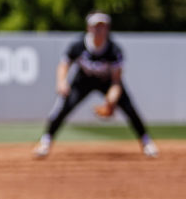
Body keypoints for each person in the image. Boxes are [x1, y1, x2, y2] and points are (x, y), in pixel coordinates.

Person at [34, 11, 158, 159]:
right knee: (63, 107)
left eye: (103, 26)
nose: (99, 30)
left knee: (129, 108)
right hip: (83, 81)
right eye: (96, 26)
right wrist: (61, 82)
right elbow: (64, 64)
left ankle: (146, 141)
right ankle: (46, 141)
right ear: (89, 28)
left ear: (108, 28)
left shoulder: (114, 50)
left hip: (107, 82)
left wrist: (110, 102)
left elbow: (116, 81)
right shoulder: (79, 45)